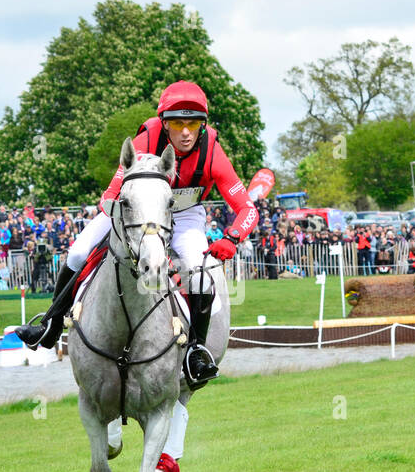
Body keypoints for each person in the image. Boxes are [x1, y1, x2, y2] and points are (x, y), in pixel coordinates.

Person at [14, 80, 259, 385]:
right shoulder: (145, 140)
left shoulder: (213, 152)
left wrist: (232, 237)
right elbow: (115, 189)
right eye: (177, 123)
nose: (186, 132)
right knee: (78, 250)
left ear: (202, 125)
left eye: (193, 123)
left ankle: (195, 351)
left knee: (198, 274)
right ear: (164, 124)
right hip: (138, 210)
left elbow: (248, 209)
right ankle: (50, 325)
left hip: (184, 216)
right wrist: (112, 206)